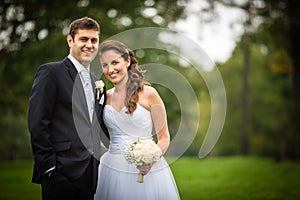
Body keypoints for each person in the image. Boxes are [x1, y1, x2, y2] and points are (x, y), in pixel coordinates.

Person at [28, 17, 109, 200]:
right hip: (60, 172)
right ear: (70, 40)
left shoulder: (98, 82)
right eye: (83, 39)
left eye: (94, 40)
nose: (89, 45)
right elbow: (38, 121)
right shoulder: (51, 72)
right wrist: (48, 166)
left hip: (90, 172)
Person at [94, 40, 180, 200]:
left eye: (115, 62)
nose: (110, 69)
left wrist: (150, 158)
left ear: (127, 61)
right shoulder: (103, 97)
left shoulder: (149, 93)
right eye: (105, 65)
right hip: (110, 168)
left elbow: (164, 138)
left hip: (146, 169)